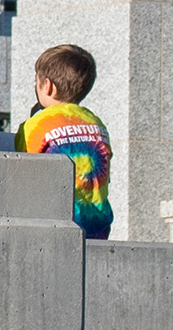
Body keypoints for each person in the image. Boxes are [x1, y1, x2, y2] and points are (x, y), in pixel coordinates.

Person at [15, 43, 114, 239]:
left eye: (36, 81)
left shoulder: (34, 126)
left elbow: (25, 177)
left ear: (48, 86)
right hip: (98, 226)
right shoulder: (97, 125)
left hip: (55, 227)